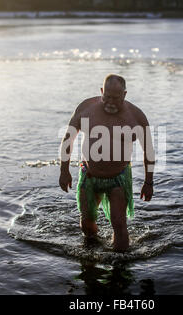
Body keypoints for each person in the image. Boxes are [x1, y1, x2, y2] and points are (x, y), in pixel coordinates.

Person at [59, 74, 155, 252]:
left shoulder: (136, 116)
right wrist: (64, 171)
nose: (110, 102)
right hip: (89, 175)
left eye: (116, 98)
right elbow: (68, 139)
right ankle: (92, 252)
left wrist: (148, 182)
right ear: (101, 91)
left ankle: (120, 267)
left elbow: (148, 150)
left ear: (124, 95)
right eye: (107, 96)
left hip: (118, 178)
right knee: (86, 224)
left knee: (119, 224)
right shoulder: (86, 108)